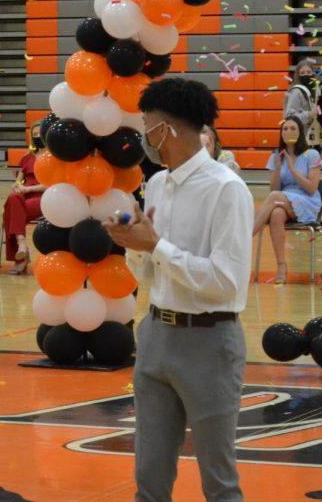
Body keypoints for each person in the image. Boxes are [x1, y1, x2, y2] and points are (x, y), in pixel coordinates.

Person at [105, 77, 252, 502]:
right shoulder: (157, 186)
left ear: (166, 129)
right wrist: (134, 248)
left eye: (147, 125)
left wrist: (156, 245)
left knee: (219, 482)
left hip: (209, 342)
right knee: (148, 479)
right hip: (155, 336)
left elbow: (225, 282)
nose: (143, 136)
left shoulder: (227, 189)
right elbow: (150, 276)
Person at [252, 116, 322, 285]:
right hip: (283, 199)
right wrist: (277, 168)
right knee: (276, 213)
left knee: (274, 198)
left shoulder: (312, 154)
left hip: (307, 200)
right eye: (285, 129)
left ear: (300, 132)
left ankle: (246, 236)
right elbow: (275, 189)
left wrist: (292, 168)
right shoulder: (277, 155)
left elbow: (312, 188)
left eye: (292, 128)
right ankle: (281, 266)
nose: (288, 131)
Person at [2, 120, 45, 275]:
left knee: (11, 210)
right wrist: (18, 187)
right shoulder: (27, 158)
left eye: (40, 134)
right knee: (13, 198)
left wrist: (28, 189)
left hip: (44, 198)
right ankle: (21, 244)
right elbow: (18, 181)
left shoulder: (54, 158)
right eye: (34, 135)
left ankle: (21, 256)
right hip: (24, 197)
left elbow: (53, 184)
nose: (37, 137)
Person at [283, 59, 322, 150]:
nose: (306, 75)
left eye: (309, 72)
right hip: (300, 139)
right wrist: (309, 114)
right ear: (298, 75)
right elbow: (289, 117)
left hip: (314, 137)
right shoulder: (296, 92)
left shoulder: (316, 89)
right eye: (302, 73)